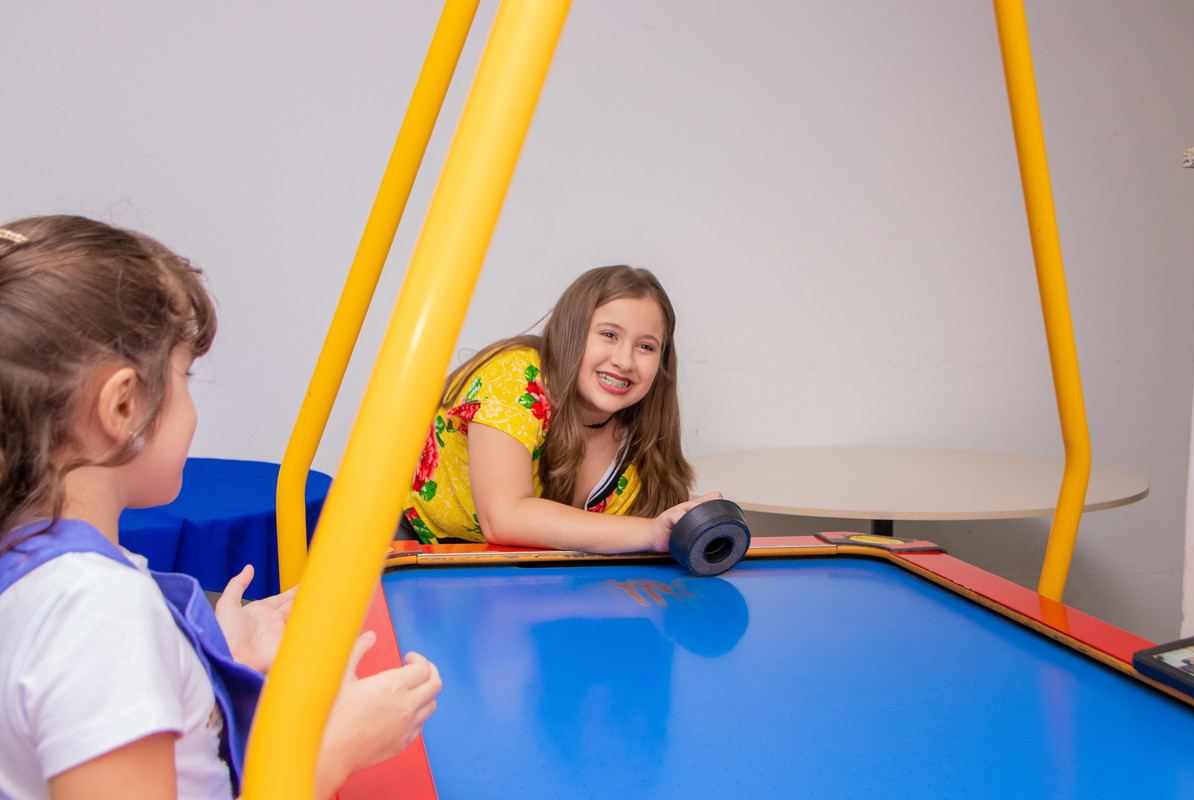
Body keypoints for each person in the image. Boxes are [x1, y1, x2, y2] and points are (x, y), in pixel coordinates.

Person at [0, 215, 441, 800]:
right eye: (184, 375)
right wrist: (332, 751)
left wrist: (217, 654)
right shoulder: (99, 610)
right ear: (123, 406)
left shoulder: (36, 569)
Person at [400, 264, 717, 554]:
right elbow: (504, 517)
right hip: (405, 543)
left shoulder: (640, 444)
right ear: (570, 333)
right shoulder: (514, 376)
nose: (624, 361)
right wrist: (648, 531)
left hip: (511, 571)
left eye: (645, 346)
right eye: (609, 335)